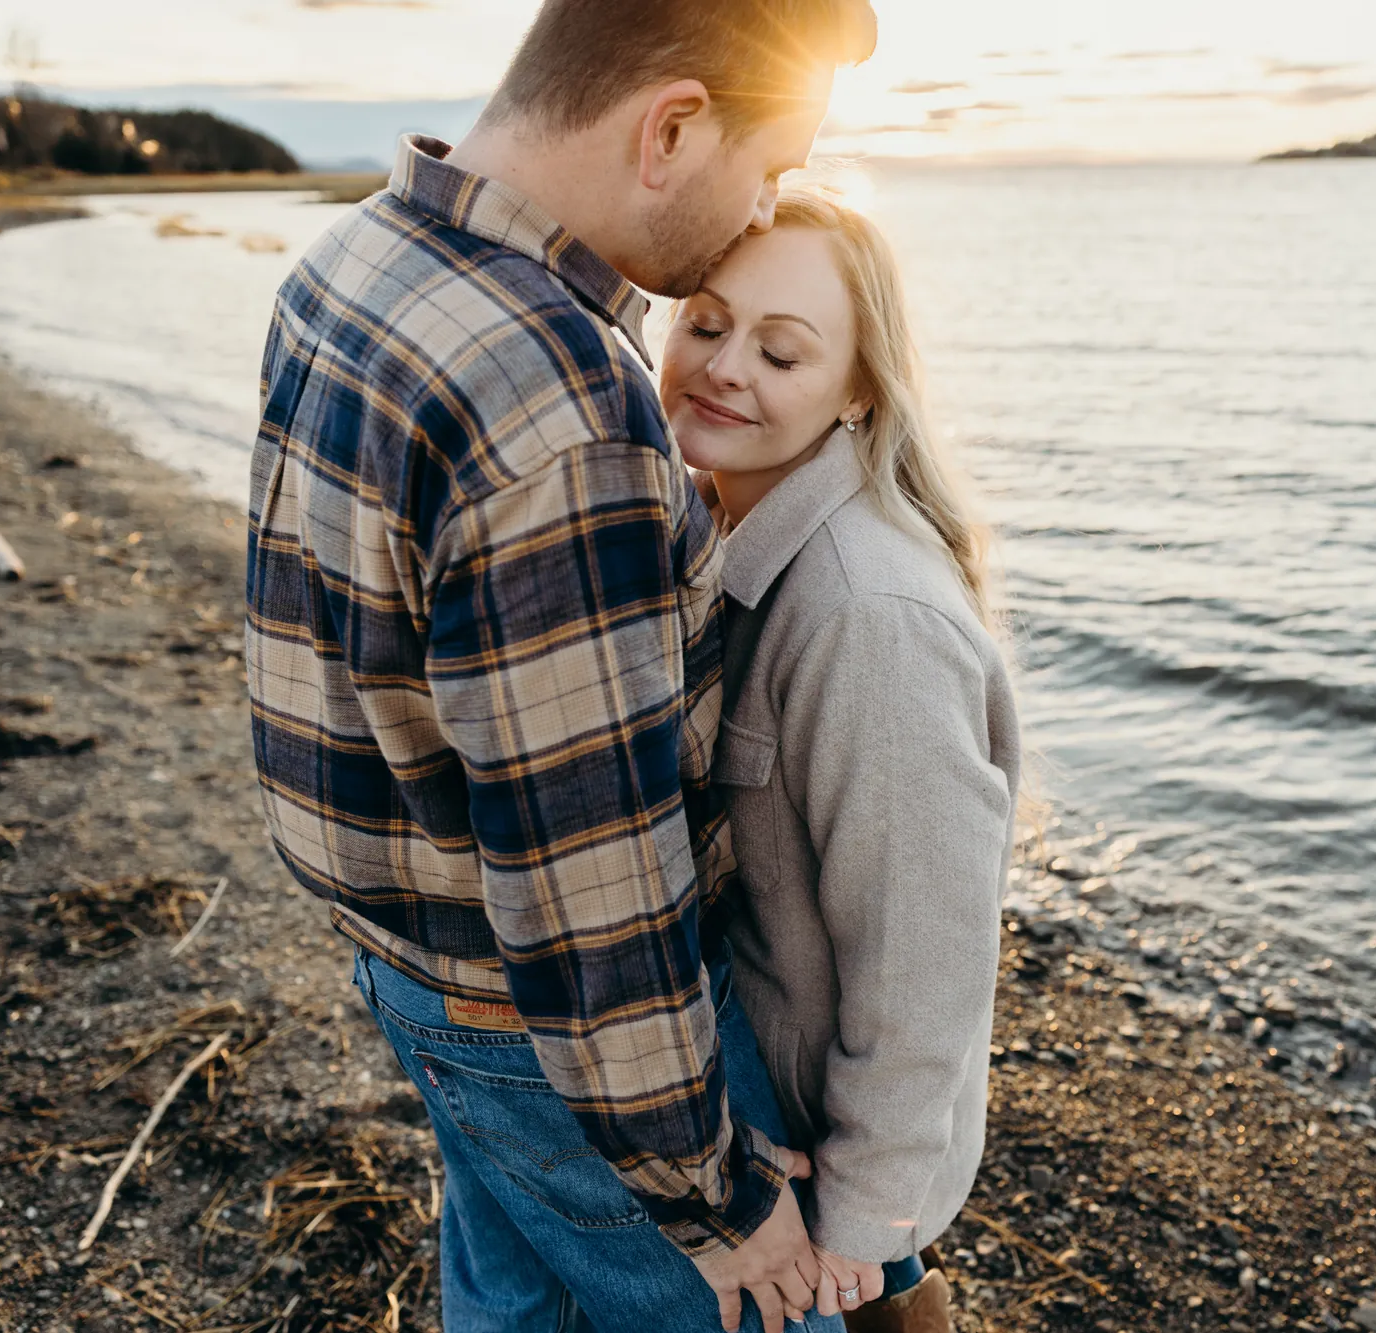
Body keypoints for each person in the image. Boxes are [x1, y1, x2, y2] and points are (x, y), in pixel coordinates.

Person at [243, 3, 877, 1331]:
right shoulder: (558, 398)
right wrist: (713, 1194)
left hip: (402, 959)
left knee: (518, 1306)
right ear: (671, 128)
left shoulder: (351, 258)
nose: (765, 209)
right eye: (771, 166)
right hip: (543, 1031)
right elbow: (591, 877)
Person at [659, 191, 1022, 1333]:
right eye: (707, 326)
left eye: (780, 351)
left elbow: (927, 961)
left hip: (822, 1165)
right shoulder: (718, 529)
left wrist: (863, 1220)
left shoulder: (868, 615)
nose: (723, 370)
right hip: (761, 1118)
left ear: (858, 389)